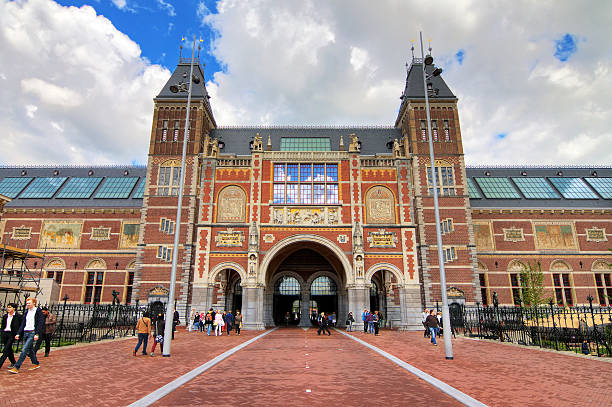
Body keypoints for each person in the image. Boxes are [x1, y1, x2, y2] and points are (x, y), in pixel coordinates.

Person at [9, 297, 46, 373]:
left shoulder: (38, 311)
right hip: (26, 332)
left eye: (29, 303)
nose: (27, 304)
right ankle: (36, 363)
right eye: (27, 303)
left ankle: (16, 367)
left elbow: (40, 323)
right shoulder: (27, 312)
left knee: (24, 350)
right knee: (30, 349)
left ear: (34, 303)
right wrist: (18, 333)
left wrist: (37, 333)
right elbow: (23, 323)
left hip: (32, 332)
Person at [0, 303, 21, 369]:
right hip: (5, 333)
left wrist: (18, 334)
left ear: (14, 308)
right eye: (8, 307)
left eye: (10, 307)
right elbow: (3, 325)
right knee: (8, 348)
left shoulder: (18, 316)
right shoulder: (5, 316)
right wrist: (2, 332)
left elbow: (20, 326)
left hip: (12, 334)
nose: (8, 308)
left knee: (6, 349)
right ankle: (13, 362)